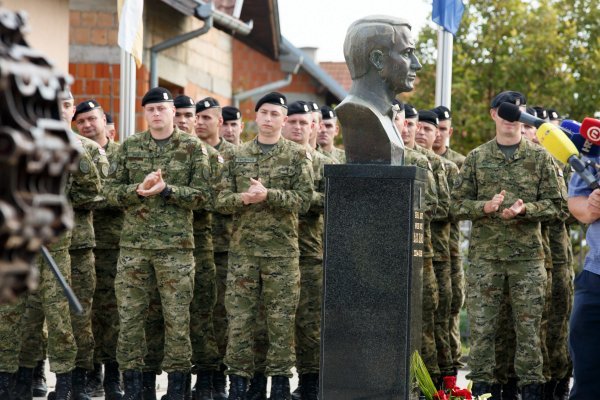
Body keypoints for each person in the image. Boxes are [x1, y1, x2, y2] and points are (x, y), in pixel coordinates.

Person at [451, 91, 564, 400]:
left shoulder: (540, 158)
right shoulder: (477, 157)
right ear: (493, 115)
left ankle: (530, 392)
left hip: (527, 261)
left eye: (518, 112)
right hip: (486, 260)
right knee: (483, 334)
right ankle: (485, 393)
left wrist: (527, 210)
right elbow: (456, 205)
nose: (511, 117)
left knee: (529, 334)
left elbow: (559, 207)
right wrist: (484, 208)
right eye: (505, 111)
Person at [104, 87, 212, 399]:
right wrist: (136, 190)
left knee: (177, 319)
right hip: (134, 249)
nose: (155, 114)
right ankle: (138, 388)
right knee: (132, 318)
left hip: (175, 250)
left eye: (161, 109)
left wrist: (168, 190)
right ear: (145, 113)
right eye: (150, 109)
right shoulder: (130, 146)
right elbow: (109, 191)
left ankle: (178, 389)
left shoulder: (192, 148)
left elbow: (206, 196)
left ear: (172, 112)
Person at [1, 91, 102, 400]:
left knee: (59, 315)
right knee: (11, 314)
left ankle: (67, 382)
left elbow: (91, 188)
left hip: (55, 242)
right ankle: (8, 382)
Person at [215, 92, 313, 400]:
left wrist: (269, 195)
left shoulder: (297, 156)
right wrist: (244, 198)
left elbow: (305, 200)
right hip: (244, 253)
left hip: (282, 254)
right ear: (255, 117)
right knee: (241, 321)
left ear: (284, 120)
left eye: (275, 114)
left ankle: (280, 386)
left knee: (280, 322)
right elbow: (219, 200)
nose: (269, 119)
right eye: (264, 113)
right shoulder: (237, 155)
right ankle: (241, 386)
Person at [75, 99, 125, 399]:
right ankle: (92, 374)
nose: (86, 125)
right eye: (80, 121)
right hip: (81, 245)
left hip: (113, 244)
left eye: (92, 119)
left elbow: (124, 194)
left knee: (115, 312)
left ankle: (114, 375)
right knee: (87, 313)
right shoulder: (75, 152)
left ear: (104, 121)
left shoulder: (122, 154)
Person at [336, 15, 421, 164]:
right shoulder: (357, 113)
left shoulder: (386, 114)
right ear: (378, 60)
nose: (417, 64)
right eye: (407, 53)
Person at [416, 110, 459, 379]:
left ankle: (445, 378)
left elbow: (451, 208)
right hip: (411, 252)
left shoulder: (447, 167)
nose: (420, 133)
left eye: (427, 129)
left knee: (440, 319)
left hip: (441, 253)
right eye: (414, 126)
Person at [432, 105, 466, 376]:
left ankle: (451, 364)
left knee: (450, 306)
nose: (438, 135)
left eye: (443, 130)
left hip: (448, 246)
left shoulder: (458, 163)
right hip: (427, 247)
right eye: (435, 129)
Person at [567, 162, 600, 400]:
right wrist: (592, 206)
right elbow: (578, 205)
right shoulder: (593, 153)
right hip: (595, 274)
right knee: (586, 365)